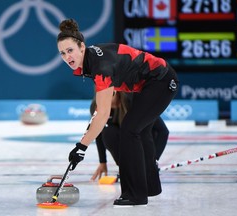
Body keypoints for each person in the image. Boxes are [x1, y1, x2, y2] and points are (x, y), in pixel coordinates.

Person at [57, 18, 179, 207]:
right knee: (141, 130)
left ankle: (135, 194)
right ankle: (150, 186)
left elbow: (103, 113)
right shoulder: (93, 59)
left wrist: (81, 147)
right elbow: (100, 112)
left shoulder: (101, 67)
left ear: (82, 46)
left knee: (130, 129)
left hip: (161, 80)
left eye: (70, 50)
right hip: (149, 84)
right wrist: (84, 145)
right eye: (63, 53)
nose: (67, 57)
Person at [89, 91, 169, 181]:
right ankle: (126, 167)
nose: (106, 103)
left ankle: (142, 164)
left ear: (116, 91)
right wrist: (102, 162)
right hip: (124, 140)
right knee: (108, 132)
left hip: (143, 139)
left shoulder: (134, 102)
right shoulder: (96, 106)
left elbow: (163, 131)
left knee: (141, 131)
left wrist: (153, 160)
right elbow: (98, 132)